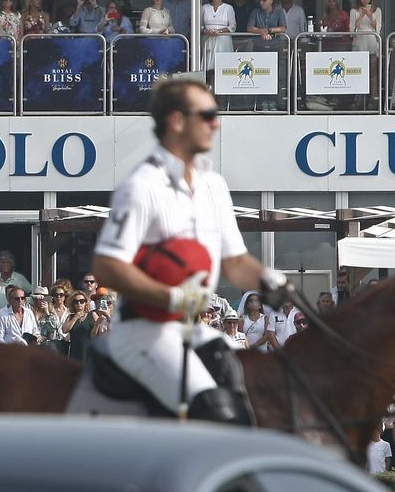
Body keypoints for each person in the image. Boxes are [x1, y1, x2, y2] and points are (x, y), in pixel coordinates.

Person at [91, 78, 286, 423]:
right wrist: (172, 298)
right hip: (144, 331)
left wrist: (271, 280)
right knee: (215, 412)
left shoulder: (214, 185)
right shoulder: (141, 187)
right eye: (207, 114)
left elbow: (236, 263)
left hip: (193, 328)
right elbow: (107, 267)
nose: (217, 122)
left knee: (252, 405)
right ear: (177, 121)